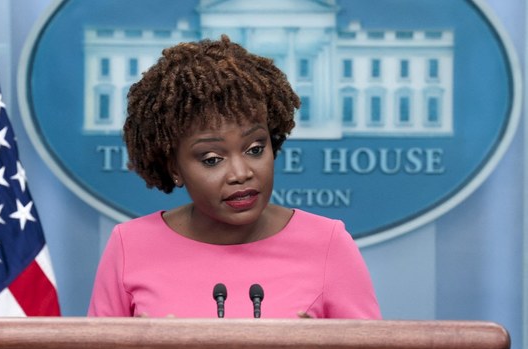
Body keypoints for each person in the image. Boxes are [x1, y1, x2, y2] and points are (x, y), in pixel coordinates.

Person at [87, 35, 380, 319]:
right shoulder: (130, 246)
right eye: (212, 159)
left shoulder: (328, 244)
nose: (241, 174)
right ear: (174, 168)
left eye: (255, 149)